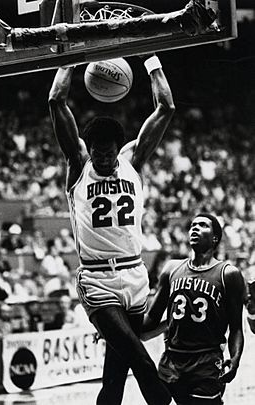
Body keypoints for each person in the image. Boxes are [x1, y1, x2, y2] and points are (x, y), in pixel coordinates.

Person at [48, 52, 176, 405]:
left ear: (119, 149)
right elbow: (55, 101)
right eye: (97, 153)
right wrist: (69, 59)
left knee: (115, 379)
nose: (103, 159)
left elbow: (166, 107)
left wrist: (150, 58)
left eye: (108, 153)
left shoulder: (132, 161)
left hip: (135, 277)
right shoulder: (79, 165)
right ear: (88, 149)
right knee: (144, 365)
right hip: (97, 279)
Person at [143, 213, 245, 405]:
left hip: (205, 362)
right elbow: (151, 318)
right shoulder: (171, 269)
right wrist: (115, 327)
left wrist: (235, 358)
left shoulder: (228, 274)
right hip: (171, 360)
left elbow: (236, 327)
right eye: (192, 225)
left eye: (202, 225)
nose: (195, 228)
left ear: (215, 238)